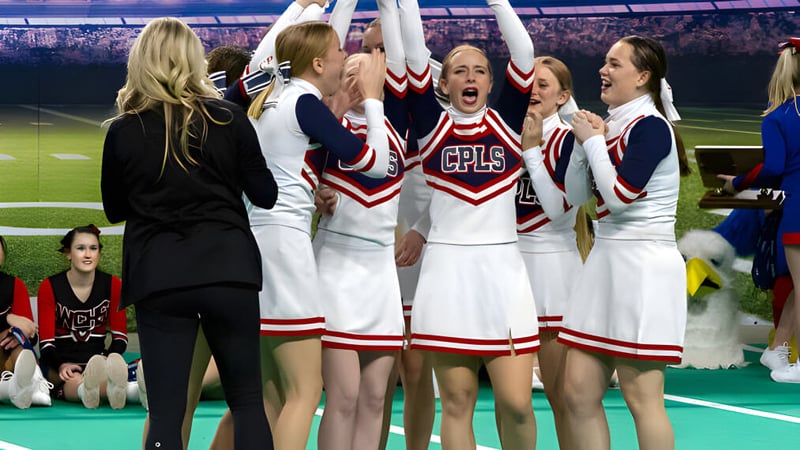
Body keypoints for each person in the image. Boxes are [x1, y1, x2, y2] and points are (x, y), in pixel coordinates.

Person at [101, 17, 278, 450]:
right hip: (228, 268)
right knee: (247, 401)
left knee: (166, 410)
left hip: (161, 274)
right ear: (194, 60)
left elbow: (114, 209)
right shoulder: (230, 118)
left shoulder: (125, 129)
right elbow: (266, 194)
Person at [398, 0, 539, 448]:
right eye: (460, 71)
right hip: (447, 273)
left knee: (517, 403)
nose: (471, 77)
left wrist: (497, 2)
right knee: (457, 402)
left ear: (491, 83)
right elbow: (414, 54)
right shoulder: (432, 128)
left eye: (480, 71)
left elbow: (524, 53)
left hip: (503, 273)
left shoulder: (507, 124)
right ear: (443, 83)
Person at [245, 18, 389, 450]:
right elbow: (375, 163)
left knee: (271, 391)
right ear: (319, 63)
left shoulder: (274, 97)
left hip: (257, 242)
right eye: (339, 51)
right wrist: (374, 101)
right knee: (305, 392)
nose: (345, 57)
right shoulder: (305, 102)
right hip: (286, 248)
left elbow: (295, 160)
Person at [561, 35, 690, 450]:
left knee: (642, 399)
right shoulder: (612, 124)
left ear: (642, 76)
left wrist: (593, 142)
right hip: (605, 261)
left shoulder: (651, 127)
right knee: (577, 392)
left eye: (615, 64)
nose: (603, 69)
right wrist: (582, 146)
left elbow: (618, 197)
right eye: (605, 61)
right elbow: (576, 196)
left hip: (644, 266)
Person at [313, 0, 409, 448]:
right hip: (335, 267)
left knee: (374, 398)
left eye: (370, 68)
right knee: (345, 396)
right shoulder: (322, 127)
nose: (361, 74)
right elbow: (297, 175)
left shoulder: (398, 125)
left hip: (381, 273)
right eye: (351, 68)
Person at [719, 36, 800, 383]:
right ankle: (786, 354)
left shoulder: (779, 115)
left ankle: (781, 351)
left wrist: (737, 183)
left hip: (796, 208)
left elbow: (774, 166)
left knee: (798, 286)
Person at [515, 55, 583, 448]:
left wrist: (531, 153)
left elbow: (558, 209)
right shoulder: (503, 134)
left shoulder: (570, 140)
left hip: (553, 269)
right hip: (508, 265)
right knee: (513, 399)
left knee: (563, 396)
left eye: (543, 84)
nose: (533, 91)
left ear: (562, 96)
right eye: (529, 83)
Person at [36, 225, 129, 410]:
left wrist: (107, 360)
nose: (88, 254)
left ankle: (130, 390)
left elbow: (120, 338)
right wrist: (61, 365)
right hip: (61, 365)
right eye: (80, 248)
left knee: (113, 374)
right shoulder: (49, 286)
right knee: (75, 380)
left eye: (93, 248)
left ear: (99, 252)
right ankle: (103, 392)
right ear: (68, 253)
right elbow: (46, 344)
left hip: (98, 362)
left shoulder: (113, 285)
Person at [0, 235, 42, 409]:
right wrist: (7, 318)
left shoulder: (14, 284)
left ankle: (35, 384)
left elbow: (31, 333)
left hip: (4, 356)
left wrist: (17, 335)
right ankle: (13, 389)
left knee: (21, 345)